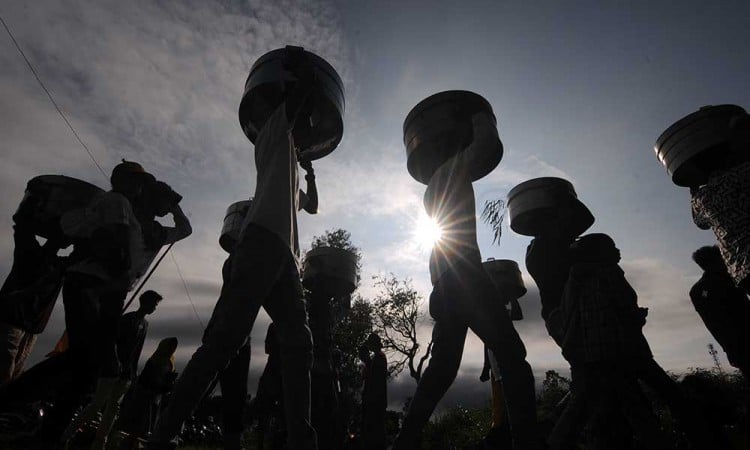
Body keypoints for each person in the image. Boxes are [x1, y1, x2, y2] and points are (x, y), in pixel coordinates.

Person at [147, 56, 320, 449]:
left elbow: (311, 206)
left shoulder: (290, 163)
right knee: (224, 342)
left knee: (300, 346)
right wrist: (305, 79)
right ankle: (164, 433)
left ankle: (301, 439)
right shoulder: (274, 131)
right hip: (259, 244)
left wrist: (310, 172)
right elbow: (296, 104)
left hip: (287, 260)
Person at [392, 113, 538, 450]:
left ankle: (405, 440)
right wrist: (479, 118)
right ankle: (528, 441)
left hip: (443, 285)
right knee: (513, 355)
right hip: (465, 278)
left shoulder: (431, 189)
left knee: (441, 370)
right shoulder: (454, 167)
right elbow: (485, 143)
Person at [34, 160, 154, 448]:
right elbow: (118, 240)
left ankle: (48, 432)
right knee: (84, 361)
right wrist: (117, 280)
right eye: (135, 181)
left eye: (140, 183)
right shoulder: (117, 201)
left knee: (85, 363)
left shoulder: (112, 202)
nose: (138, 188)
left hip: (93, 285)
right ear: (120, 179)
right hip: (94, 286)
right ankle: (29, 414)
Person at [545, 233, 665, 450]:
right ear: (599, 253)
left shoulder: (576, 280)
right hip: (617, 354)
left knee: (583, 411)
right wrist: (637, 317)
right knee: (641, 411)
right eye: (612, 247)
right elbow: (620, 311)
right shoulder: (606, 275)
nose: (617, 251)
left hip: (593, 356)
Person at [59, 290, 164, 449]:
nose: (154, 308)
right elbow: (112, 342)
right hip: (111, 369)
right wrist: (113, 362)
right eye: (154, 305)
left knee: (113, 409)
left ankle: (100, 443)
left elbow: (137, 350)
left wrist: (133, 372)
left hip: (126, 374)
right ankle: (66, 435)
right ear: (145, 302)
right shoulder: (127, 319)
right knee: (96, 405)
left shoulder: (145, 324)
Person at [0, 192, 67, 385]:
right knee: (4, 367)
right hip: (11, 318)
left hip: (32, 327)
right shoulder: (29, 250)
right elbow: (21, 226)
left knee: (15, 373)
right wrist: (33, 201)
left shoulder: (61, 265)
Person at [690, 113, 750, 295]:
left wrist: (693, 190)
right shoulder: (744, 172)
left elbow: (700, 224)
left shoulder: (701, 198)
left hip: (742, 272)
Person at [690, 245, 750, 378]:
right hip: (740, 344)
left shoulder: (730, 277)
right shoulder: (704, 289)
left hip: (737, 346)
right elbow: (714, 323)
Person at [109, 337, 179, 450]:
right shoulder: (154, 360)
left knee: (149, 425)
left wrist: (169, 383)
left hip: (157, 398)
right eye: (170, 346)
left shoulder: (171, 361)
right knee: (139, 424)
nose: (172, 349)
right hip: (145, 397)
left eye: (174, 347)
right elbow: (146, 380)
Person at [358, 333, 387, 450]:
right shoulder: (377, 357)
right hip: (374, 401)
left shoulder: (379, 358)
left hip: (375, 402)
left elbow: (374, 380)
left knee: (374, 434)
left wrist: (367, 362)